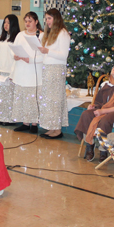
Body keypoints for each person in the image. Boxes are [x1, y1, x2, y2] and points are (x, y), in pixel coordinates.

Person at [74, 62, 114, 162]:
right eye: (113, 67)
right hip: (104, 110)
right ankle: (90, 144)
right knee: (86, 114)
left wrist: (102, 111)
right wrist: (93, 107)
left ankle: (103, 150)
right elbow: (99, 102)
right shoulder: (107, 85)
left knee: (105, 120)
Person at [37, 8, 71, 139]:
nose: (47, 21)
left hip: (56, 70)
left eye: (49, 18)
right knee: (49, 100)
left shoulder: (63, 34)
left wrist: (47, 51)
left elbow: (63, 55)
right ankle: (51, 127)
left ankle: (57, 129)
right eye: (46, 19)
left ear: (56, 19)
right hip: (47, 69)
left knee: (55, 99)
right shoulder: (50, 33)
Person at [11, 12, 44, 133]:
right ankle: (25, 122)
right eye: (26, 21)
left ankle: (34, 123)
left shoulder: (42, 35)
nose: (27, 23)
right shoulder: (20, 35)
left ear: (36, 21)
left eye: (30, 21)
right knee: (23, 98)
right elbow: (14, 49)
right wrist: (14, 56)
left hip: (34, 72)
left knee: (33, 99)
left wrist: (30, 60)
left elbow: (44, 56)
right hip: (21, 71)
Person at [0, 14, 20, 126]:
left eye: (8, 23)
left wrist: (13, 73)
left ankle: (11, 119)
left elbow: (16, 58)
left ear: (13, 24)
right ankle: (3, 117)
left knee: (12, 97)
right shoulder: (1, 38)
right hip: (2, 73)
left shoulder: (17, 38)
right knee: (3, 97)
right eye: (4, 22)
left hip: (12, 73)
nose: (6, 25)